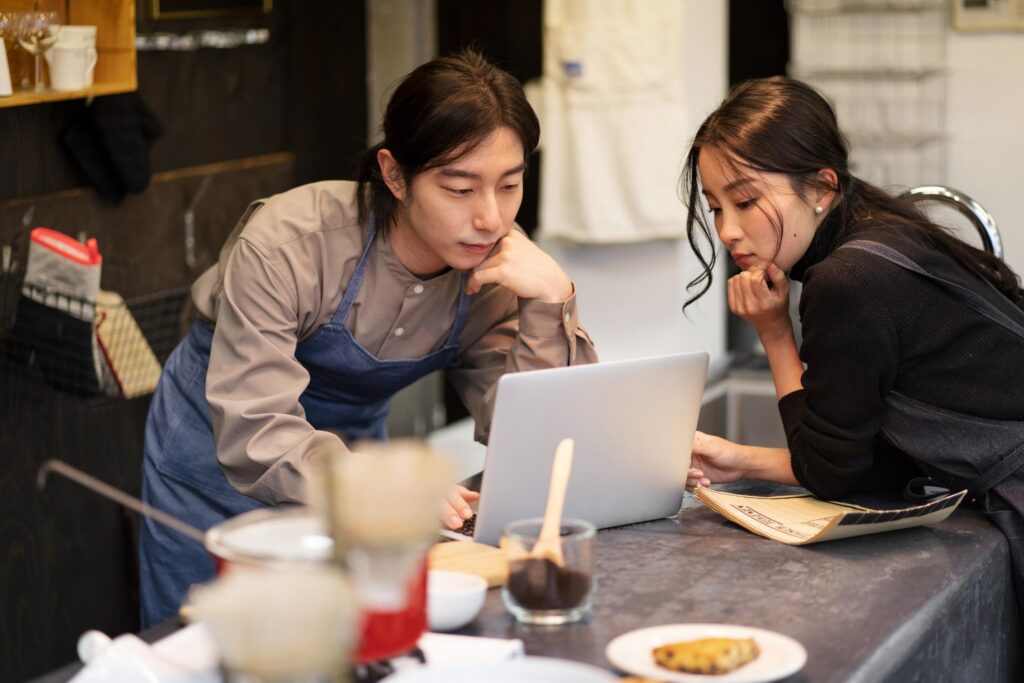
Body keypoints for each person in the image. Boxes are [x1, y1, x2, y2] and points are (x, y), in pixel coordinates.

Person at [138, 49, 598, 627]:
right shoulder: (288, 243)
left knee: (348, 636)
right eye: (460, 189)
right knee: (209, 641)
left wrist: (553, 303)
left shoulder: (500, 264)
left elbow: (533, 438)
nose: (491, 218)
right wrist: (376, 490)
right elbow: (253, 426)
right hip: (219, 446)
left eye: (509, 186)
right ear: (394, 174)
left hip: (354, 443)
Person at [679, 76, 1024, 610]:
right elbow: (870, 456)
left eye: (745, 201)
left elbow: (828, 472)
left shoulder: (847, 279)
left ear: (821, 188)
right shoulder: (881, 233)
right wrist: (741, 460)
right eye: (716, 207)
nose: (726, 231)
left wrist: (774, 333)